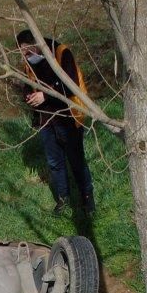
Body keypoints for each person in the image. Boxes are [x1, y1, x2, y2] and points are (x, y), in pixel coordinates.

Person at [16, 29, 95, 217]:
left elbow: (70, 83)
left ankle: (87, 198)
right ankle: (63, 198)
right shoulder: (28, 61)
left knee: (76, 160)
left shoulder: (61, 52)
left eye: (27, 51)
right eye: (22, 52)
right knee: (54, 162)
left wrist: (44, 95)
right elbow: (28, 84)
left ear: (36, 44)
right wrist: (29, 96)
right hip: (45, 119)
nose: (25, 56)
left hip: (68, 116)